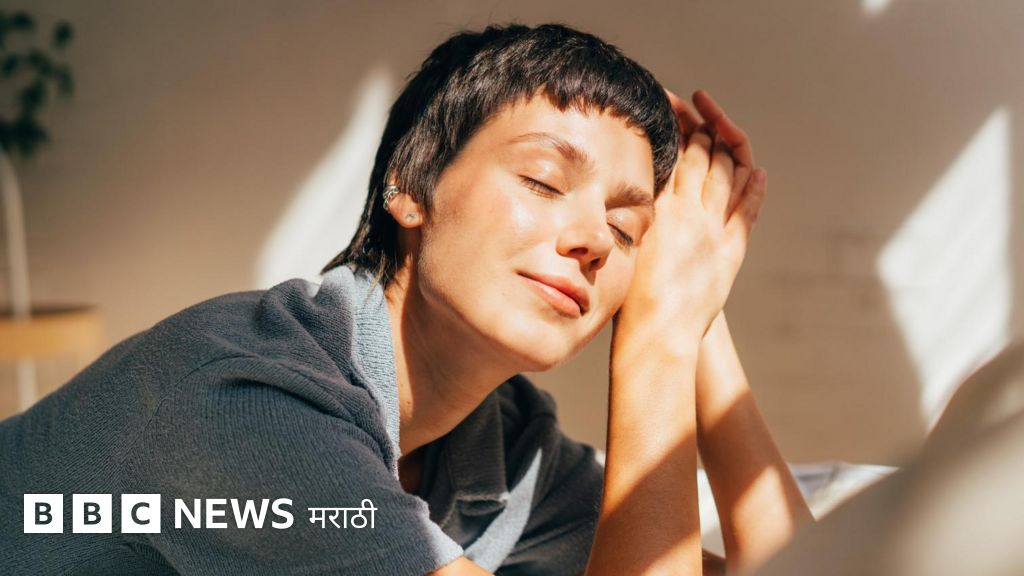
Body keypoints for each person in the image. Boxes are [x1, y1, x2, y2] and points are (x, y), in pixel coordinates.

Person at [0, 23, 810, 575]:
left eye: (629, 231)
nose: (594, 238)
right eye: (542, 180)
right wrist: (659, 339)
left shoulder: (506, 452)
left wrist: (697, 310)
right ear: (408, 189)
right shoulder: (250, 406)